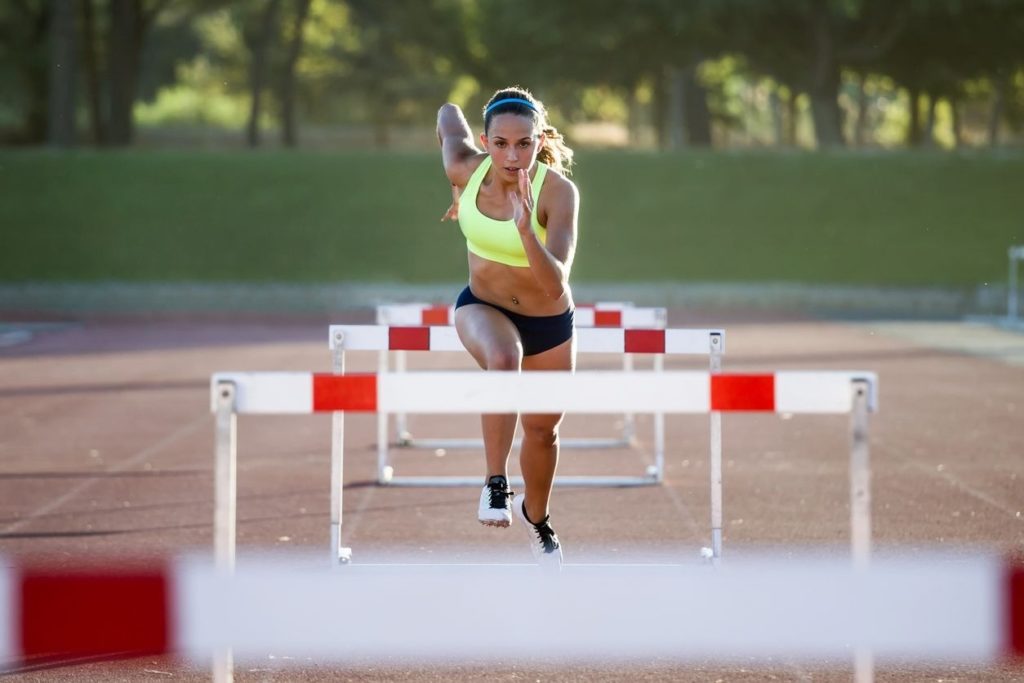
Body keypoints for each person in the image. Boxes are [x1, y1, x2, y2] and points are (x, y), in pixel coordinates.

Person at [436, 86, 578, 568]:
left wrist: (525, 231)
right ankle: (495, 483)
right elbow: (446, 112)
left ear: (540, 141)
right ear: (485, 140)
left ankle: (537, 519)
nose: (512, 156)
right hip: (483, 305)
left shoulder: (558, 192)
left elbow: (556, 285)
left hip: (547, 320)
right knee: (502, 359)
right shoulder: (464, 167)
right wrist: (456, 190)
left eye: (524, 144)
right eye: (500, 144)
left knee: (542, 432)